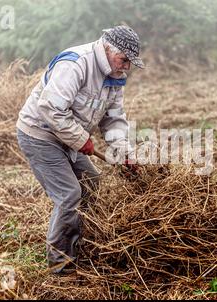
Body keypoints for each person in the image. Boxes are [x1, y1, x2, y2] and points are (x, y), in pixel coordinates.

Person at [16, 25, 144, 274]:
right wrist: (80, 139)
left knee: (92, 181)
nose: (127, 66)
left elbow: (113, 119)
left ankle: (82, 242)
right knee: (69, 195)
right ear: (108, 49)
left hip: (68, 138)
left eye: (130, 62)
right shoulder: (76, 64)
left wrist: (125, 154)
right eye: (124, 60)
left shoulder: (115, 75)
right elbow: (51, 108)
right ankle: (60, 265)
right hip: (40, 134)